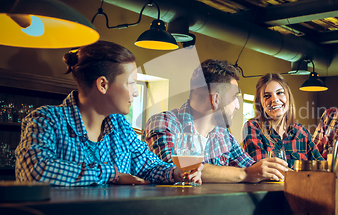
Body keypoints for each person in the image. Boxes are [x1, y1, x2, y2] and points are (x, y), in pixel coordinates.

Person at [15, 40, 202, 186]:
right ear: (103, 84)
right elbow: (34, 171)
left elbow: (149, 166)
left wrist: (176, 173)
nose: (135, 91)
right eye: (130, 83)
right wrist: (112, 174)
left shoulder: (120, 126)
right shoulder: (46, 120)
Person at [145, 59, 289, 182]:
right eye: (234, 98)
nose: (238, 106)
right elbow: (178, 170)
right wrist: (245, 174)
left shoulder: (223, 135)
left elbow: (252, 167)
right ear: (215, 100)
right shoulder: (164, 123)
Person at [242, 73, 323, 168]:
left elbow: (321, 167)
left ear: (288, 96)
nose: (275, 99)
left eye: (279, 93)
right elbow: (263, 170)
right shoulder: (252, 127)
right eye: (267, 96)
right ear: (260, 102)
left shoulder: (301, 132)